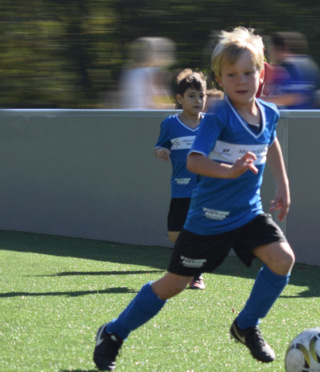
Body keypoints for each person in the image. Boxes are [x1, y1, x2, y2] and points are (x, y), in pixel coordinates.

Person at [93, 26, 295, 370]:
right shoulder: (217, 115)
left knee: (282, 259)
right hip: (208, 219)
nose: (242, 80)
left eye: (249, 72)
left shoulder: (269, 113)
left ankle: (245, 326)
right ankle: (113, 333)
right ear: (219, 79)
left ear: (262, 73)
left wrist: (283, 185)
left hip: (248, 214)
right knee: (173, 285)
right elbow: (194, 160)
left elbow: (270, 140)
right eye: (232, 74)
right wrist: (229, 170)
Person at [154, 68, 207, 290]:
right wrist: (161, 152)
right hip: (180, 189)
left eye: (201, 96)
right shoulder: (170, 124)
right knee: (175, 234)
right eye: (192, 96)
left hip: (205, 190)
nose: (197, 100)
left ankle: (196, 274)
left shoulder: (211, 124)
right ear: (180, 99)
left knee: (199, 231)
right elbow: (160, 146)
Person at [264, 31, 320, 109]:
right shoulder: (304, 64)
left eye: (271, 49)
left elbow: (297, 97)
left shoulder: (295, 66)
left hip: (297, 118)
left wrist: (260, 101)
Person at [118, 37, 176, 109]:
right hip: (145, 115)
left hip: (130, 113)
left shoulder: (129, 71)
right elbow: (157, 99)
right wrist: (172, 106)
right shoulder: (151, 72)